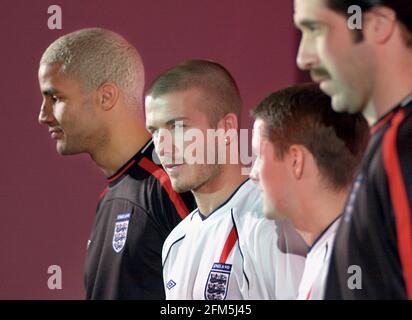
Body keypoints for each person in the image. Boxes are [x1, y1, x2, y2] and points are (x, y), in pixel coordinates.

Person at [38, 28, 195, 299]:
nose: (43, 115)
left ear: (106, 97)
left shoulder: (172, 184)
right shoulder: (109, 199)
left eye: (55, 98)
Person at [145, 59, 307, 300]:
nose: (162, 148)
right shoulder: (174, 243)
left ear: (227, 127)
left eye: (178, 126)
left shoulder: (272, 226)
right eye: (155, 132)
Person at [294, 0, 412, 299]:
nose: (303, 58)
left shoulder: (402, 146)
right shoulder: (387, 143)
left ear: (377, 25)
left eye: (315, 29)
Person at [250, 83, 370, 299]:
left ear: (296, 160)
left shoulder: (353, 258)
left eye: (259, 156)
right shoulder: (333, 252)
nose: (253, 173)